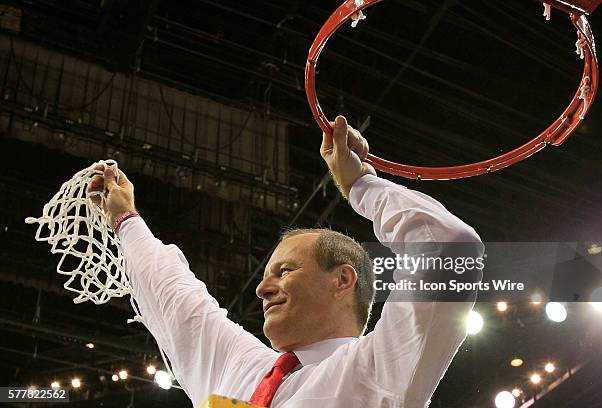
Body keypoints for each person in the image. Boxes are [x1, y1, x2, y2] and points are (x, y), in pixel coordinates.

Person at [90, 115, 483, 408]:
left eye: (285, 270)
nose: (261, 288)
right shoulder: (239, 365)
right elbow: (174, 295)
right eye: (266, 276)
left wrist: (360, 185)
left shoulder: (378, 370)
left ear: (342, 280)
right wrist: (126, 220)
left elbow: (449, 248)